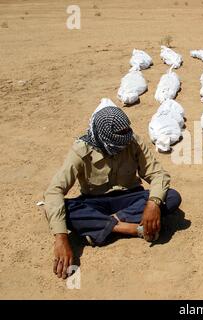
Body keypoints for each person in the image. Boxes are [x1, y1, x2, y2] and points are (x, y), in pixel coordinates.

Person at [44, 100, 181, 279]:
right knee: (63, 209)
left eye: (126, 133)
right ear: (103, 137)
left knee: (171, 196)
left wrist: (153, 204)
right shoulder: (81, 150)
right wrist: (61, 238)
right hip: (95, 202)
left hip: (130, 198)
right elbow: (54, 191)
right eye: (119, 137)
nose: (124, 140)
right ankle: (129, 229)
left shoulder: (132, 142)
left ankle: (103, 226)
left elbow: (158, 174)